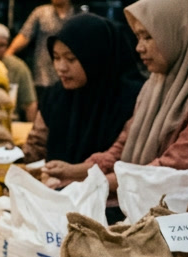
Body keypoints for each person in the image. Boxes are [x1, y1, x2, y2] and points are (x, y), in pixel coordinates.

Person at [50, 0, 188, 190]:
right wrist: (74, 171)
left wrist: (96, 184)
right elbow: (122, 147)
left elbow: (172, 170)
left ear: (183, 34)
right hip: (138, 196)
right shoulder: (156, 85)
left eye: (148, 37)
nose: (139, 48)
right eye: (138, 37)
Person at [20, 13, 144, 168]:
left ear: (96, 57)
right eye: (56, 58)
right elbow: (37, 144)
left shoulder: (133, 98)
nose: (61, 68)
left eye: (71, 59)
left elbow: (126, 158)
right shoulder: (56, 95)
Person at [7, 0, 77, 91]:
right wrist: (9, 52)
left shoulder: (77, 16)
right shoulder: (40, 12)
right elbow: (25, 35)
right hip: (43, 76)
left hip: (69, 76)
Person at [0, 23, 37, 121]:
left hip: (10, 121)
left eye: (0, 45)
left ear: (7, 45)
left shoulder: (18, 68)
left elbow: (30, 104)